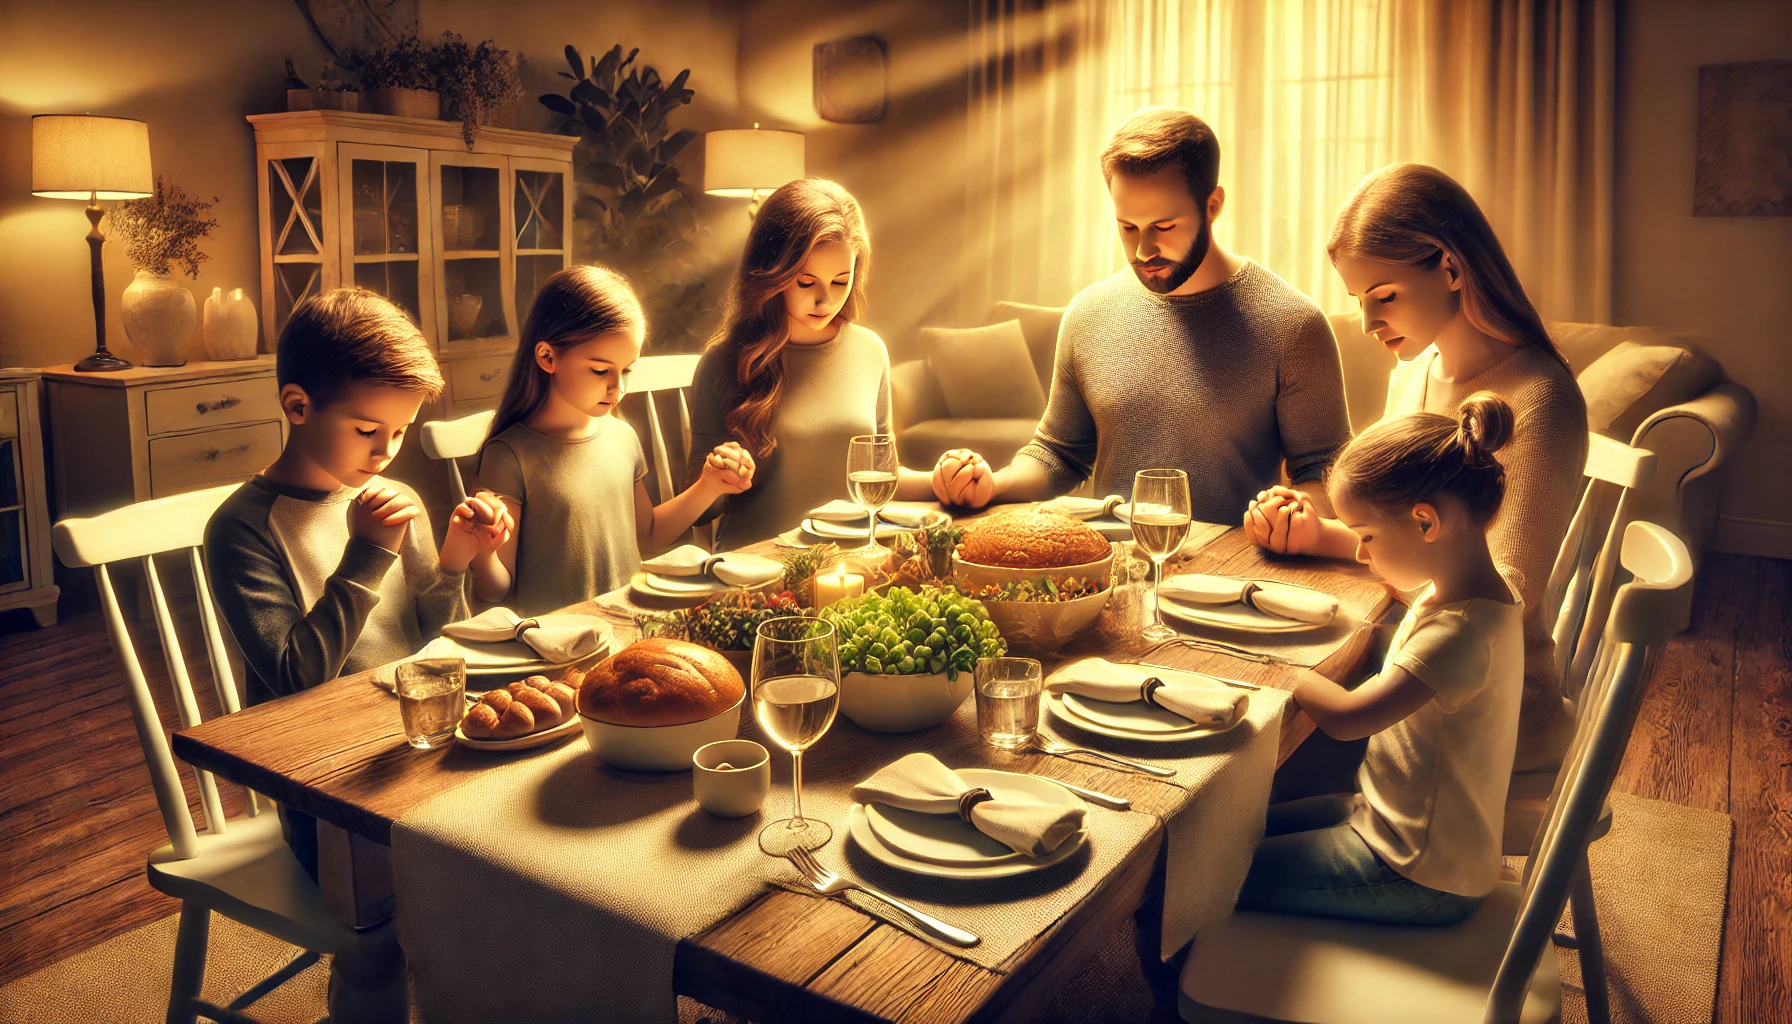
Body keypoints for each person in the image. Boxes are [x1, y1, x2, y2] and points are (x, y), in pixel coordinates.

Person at [204, 288, 504, 1017]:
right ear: (298, 405)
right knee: (392, 928)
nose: (386, 451)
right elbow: (294, 676)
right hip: (326, 791)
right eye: (369, 428)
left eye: (400, 432)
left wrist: (457, 561)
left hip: (417, 750)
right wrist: (366, 553)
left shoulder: (389, 495)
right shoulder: (241, 530)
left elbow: (432, 637)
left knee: (529, 857)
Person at [1245, 162, 1586, 772]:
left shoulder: (1540, 398)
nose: (1370, 323)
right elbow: (1411, 532)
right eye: (1359, 301)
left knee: (1256, 752)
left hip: (1477, 726)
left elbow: (1497, 597)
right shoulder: (1415, 369)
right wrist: (1320, 531)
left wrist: (1334, 541)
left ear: (1451, 268)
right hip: (1396, 670)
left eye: (1386, 297)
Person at [932, 106, 1352, 523]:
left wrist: (1293, 515)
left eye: (1164, 226)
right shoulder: (1088, 313)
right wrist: (992, 484)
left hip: (1232, 580)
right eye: (1127, 227)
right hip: (1112, 577)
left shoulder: (1293, 325)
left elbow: (1325, 474)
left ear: (1213, 205)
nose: (1142, 251)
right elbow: (1058, 453)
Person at [1236, 394, 1524, 925]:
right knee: (1228, 834)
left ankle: (1184, 989)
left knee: (1209, 873)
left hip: (1417, 869)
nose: (1362, 554)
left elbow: (1350, 719)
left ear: (1426, 522)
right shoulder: (1474, 586)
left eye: (1365, 536)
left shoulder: (1460, 633)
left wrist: (1277, 666)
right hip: (1390, 822)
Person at [467, 265, 754, 614]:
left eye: (627, 370)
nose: (618, 388)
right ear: (547, 357)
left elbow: (647, 536)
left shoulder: (623, 437)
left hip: (628, 630)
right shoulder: (509, 457)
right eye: (601, 370)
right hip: (558, 650)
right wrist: (483, 550)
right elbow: (497, 590)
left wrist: (710, 485)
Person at [688, 177, 941, 547]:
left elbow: (882, 476)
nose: (825, 301)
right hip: (757, 574)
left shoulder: (870, 351)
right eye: (806, 283)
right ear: (771, 274)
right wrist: (718, 474)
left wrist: (944, 478)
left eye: (840, 282)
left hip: (852, 565)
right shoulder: (723, 362)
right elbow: (700, 513)